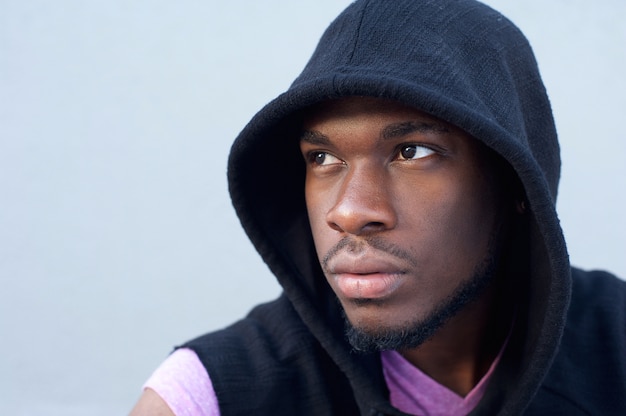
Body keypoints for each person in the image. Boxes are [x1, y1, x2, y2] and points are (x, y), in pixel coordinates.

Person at [130, 0, 626, 414]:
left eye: (412, 151)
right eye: (323, 158)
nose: (349, 212)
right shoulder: (210, 394)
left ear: (515, 182)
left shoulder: (615, 349)